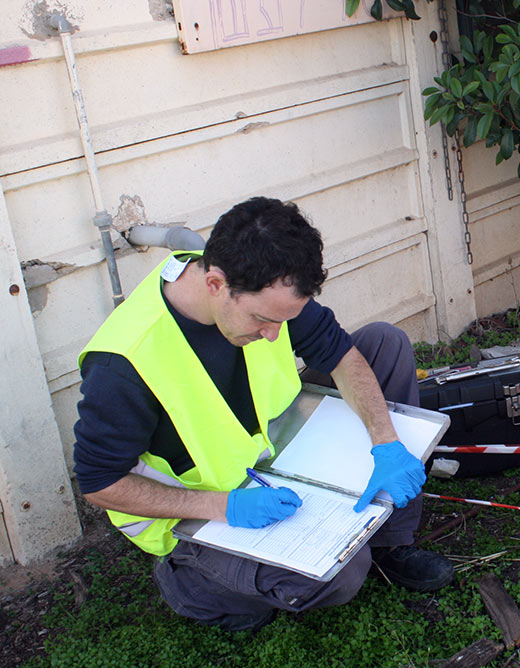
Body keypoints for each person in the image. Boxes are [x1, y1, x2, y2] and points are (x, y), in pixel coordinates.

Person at [72, 196, 453, 632]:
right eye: (263, 320)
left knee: (384, 343)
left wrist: (386, 442)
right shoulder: (123, 363)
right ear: (215, 284)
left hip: (274, 454)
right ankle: (191, 585)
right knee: (343, 576)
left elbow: (340, 354)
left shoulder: (266, 282)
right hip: (204, 511)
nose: (275, 336)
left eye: (284, 320)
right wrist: (225, 507)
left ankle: (390, 539)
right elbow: (100, 483)